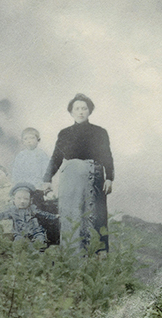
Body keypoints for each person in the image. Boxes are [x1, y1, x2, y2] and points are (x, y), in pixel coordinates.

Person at [40, 93, 113, 254]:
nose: (81, 112)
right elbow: (56, 157)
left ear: (89, 111)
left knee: (95, 216)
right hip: (71, 180)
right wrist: (47, 178)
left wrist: (109, 178)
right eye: (77, 108)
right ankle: (72, 258)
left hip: (94, 178)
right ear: (71, 112)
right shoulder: (64, 133)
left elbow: (107, 155)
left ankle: (96, 257)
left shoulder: (100, 132)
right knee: (71, 216)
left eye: (84, 108)